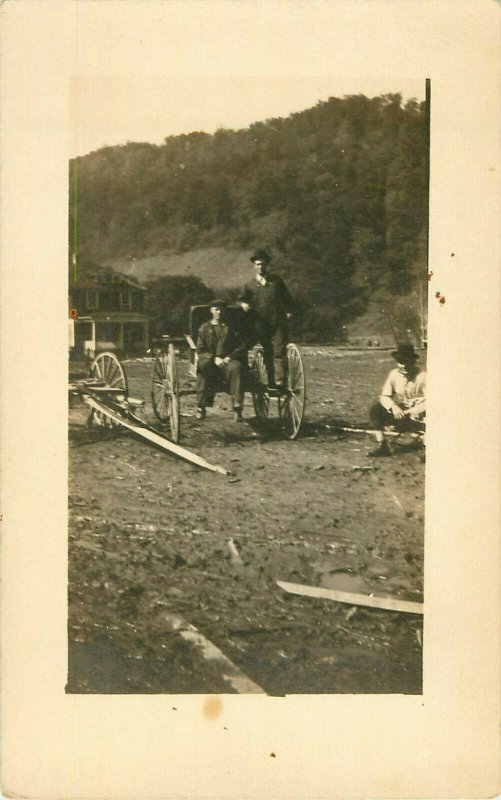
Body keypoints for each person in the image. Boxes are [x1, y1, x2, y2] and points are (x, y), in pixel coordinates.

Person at [239, 248, 295, 389]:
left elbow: (287, 299)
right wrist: (243, 304)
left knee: (279, 350)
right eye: (258, 264)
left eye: (263, 264)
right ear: (254, 266)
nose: (260, 267)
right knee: (268, 352)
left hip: (278, 321)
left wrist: (289, 311)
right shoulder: (249, 285)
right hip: (260, 323)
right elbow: (241, 300)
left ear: (267, 265)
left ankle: (280, 380)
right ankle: (271, 382)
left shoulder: (276, 282)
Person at [368, 343, 426, 457]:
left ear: (412, 361)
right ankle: (383, 446)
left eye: (406, 362)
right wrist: (394, 407)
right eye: (401, 362)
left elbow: (433, 401)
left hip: (419, 415)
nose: (403, 366)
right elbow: (384, 396)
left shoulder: (423, 376)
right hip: (401, 413)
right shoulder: (394, 375)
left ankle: (428, 449)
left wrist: (412, 411)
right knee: (376, 409)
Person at [196, 299, 247, 422]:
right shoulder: (204, 329)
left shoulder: (232, 328)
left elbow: (241, 346)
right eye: (216, 309)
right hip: (211, 362)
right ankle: (201, 407)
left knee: (237, 367)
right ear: (211, 311)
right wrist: (214, 358)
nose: (219, 312)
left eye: (221, 310)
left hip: (228, 361)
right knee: (203, 368)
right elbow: (200, 349)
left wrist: (229, 357)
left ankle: (237, 408)